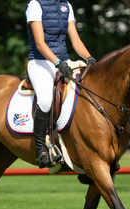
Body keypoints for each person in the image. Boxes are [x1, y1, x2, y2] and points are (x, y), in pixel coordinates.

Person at [26, 0, 96, 168]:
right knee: (45, 100)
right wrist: (58, 63)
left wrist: (89, 59)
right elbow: (40, 44)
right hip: (40, 62)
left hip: (64, 61)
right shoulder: (35, 5)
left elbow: (76, 40)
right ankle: (41, 150)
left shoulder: (66, 6)